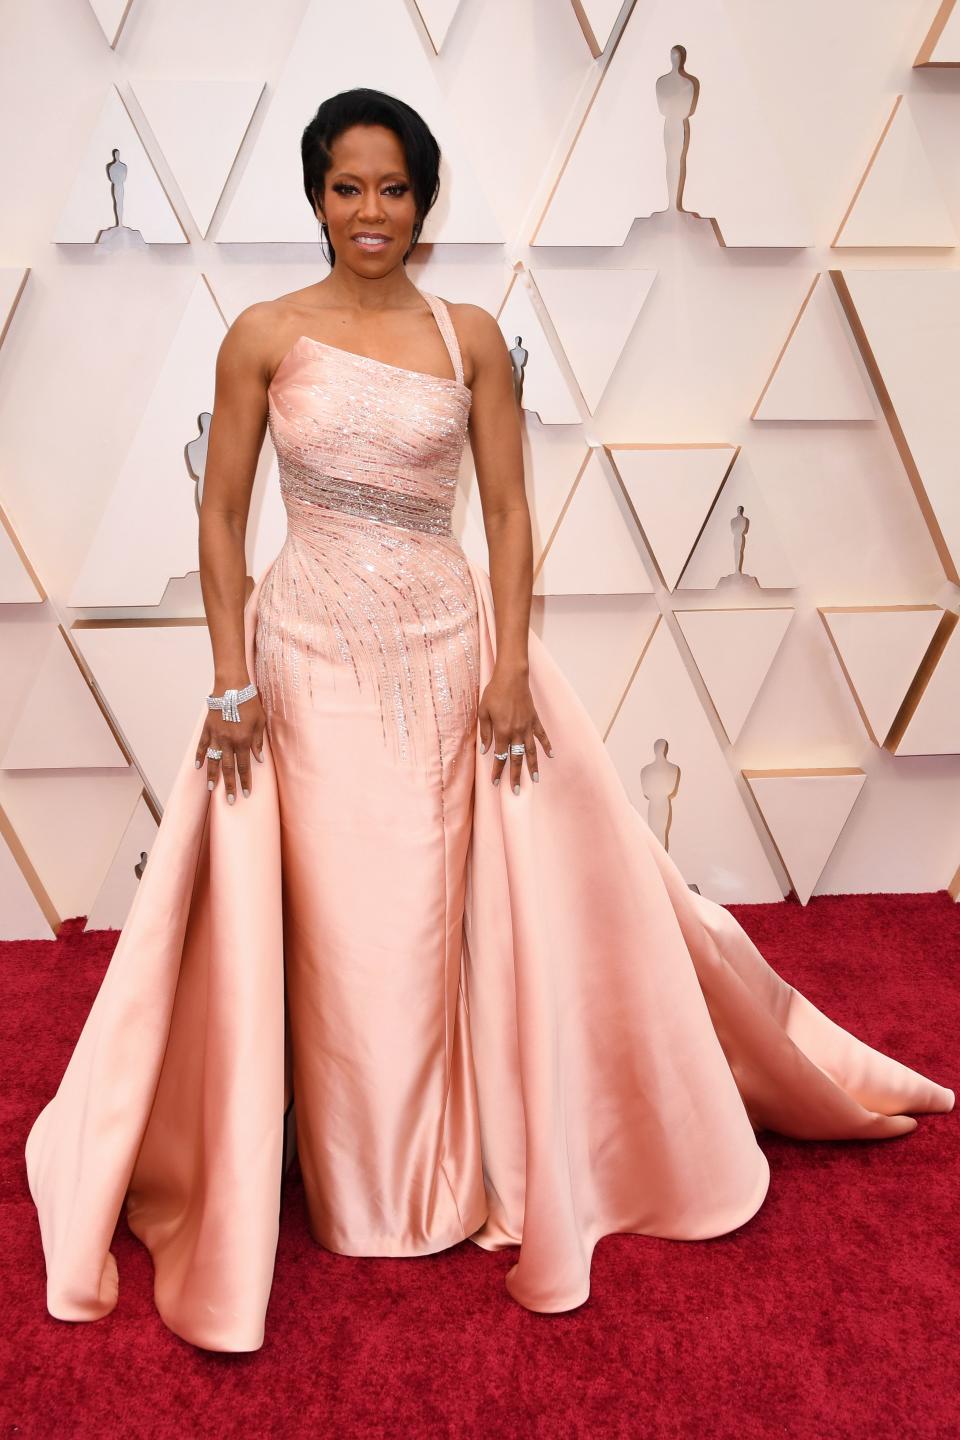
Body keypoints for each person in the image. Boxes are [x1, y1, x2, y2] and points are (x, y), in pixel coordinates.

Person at [25, 87, 954, 1354]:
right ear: (313, 197)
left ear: (426, 199)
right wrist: (230, 678)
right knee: (338, 927)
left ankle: (433, 1171)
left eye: (394, 188)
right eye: (348, 187)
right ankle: (360, 1184)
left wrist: (510, 665)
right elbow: (222, 519)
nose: (371, 211)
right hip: (306, 663)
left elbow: (509, 516)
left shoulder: (469, 335)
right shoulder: (261, 335)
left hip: (447, 658)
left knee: (428, 916)